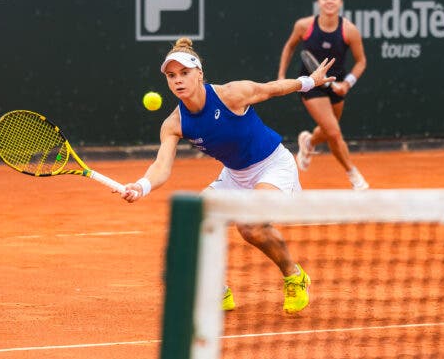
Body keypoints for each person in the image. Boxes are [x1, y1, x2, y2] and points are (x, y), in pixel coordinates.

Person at [121, 37, 335, 314]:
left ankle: (294, 276)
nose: (178, 81)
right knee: (190, 227)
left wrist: (309, 81)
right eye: (172, 76)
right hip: (233, 176)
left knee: (250, 226)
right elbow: (161, 166)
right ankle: (217, 291)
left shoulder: (231, 94)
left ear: (199, 73)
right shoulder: (173, 124)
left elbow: (271, 89)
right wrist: (142, 185)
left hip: (273, 165)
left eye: (185, 73)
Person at [277, 0, 369, 190]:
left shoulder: (349, 31)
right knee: (335, 132)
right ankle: (354, 176)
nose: (329, 1)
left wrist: (347, 84)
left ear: (340, 3)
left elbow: (361, 61)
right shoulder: (304, 26)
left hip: (336, 84)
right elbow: (289, 47)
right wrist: (282, 75)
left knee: (329, 131)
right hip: (310, 84)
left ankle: (309, 142)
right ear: (318, 2)